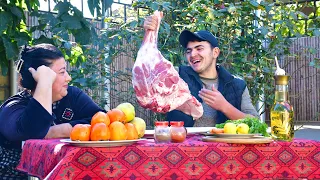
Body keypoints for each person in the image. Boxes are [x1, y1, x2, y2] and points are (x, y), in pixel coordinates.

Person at [0, 43, 104, 179]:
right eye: (62, 72)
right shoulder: (13, 108)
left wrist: (53, 132)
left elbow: (101, 121)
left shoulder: (72, 96)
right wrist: (44, 83)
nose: (68, 78)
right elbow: (33, 131)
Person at [143, 15, 259, 127]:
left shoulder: (236, 85)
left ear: (215, 52)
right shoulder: (178, 76)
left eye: (199, 48)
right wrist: (149, 33)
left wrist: (225, 106)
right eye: (189, 51)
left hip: (225, 146)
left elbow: (256, 122)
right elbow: (148, 76)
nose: (193, 54)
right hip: (181, 145)